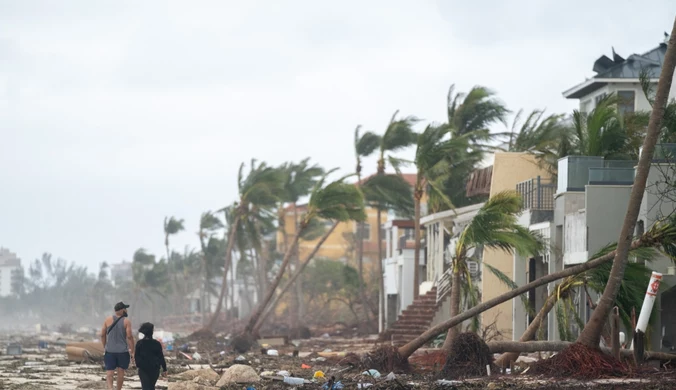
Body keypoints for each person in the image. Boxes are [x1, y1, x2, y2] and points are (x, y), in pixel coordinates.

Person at [100, 302, 135, 390]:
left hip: (110, 351)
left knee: (109, 372)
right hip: (122, 351)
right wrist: (132, 351)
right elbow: (130, 336)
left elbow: (102, 335)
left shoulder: (107, 320)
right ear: (122, 310)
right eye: (125, 309)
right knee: (121, 372)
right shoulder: (126, 321)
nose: (126, 310)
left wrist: (105, 346)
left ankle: (111, 388)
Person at [135, 322, 167, 390]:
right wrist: (164, 368)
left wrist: (139, 365)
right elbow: (161, 357)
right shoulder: (156, 344)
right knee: (151, 387)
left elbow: (136, 356)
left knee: (145, 387)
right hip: (154, 369)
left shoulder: (139, 343)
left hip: (143, 369)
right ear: (151, 332)